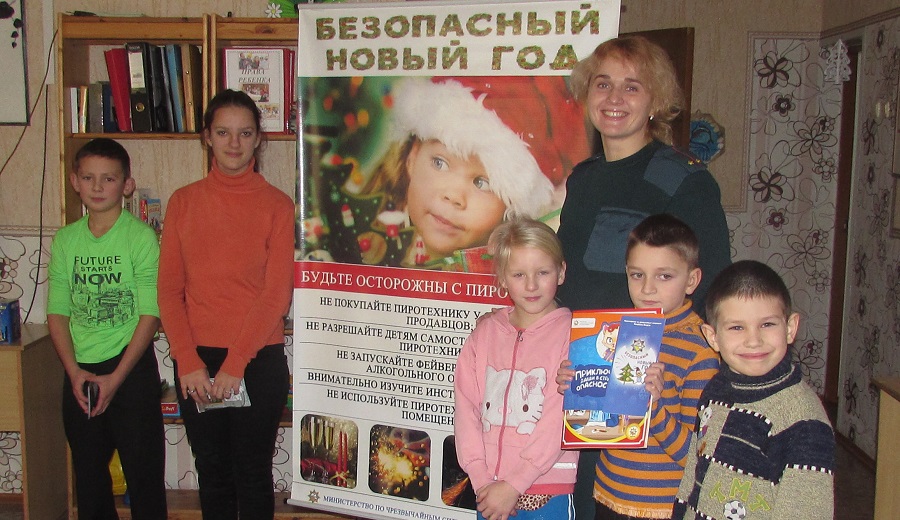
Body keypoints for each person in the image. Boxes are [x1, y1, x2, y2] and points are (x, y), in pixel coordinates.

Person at [555, 35, 731, 519]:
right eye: (603, 84)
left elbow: (713, 286)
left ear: (656, 101)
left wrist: (676, 374)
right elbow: (568, 278)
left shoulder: (684, 180)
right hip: (586, 374)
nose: (614, 98)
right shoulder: (583, 179)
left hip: (652, 383)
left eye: (632, 87)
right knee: (587, 501)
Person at [158, 89, 294, 518]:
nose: (234, 143)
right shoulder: (183, 202)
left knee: (252, 475)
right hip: (197, 362)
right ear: (207, 137)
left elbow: (276, 295)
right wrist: (187, 361)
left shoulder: (278, 206)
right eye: (223, 132)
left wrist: (235, 365)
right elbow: (169, 291)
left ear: (259, 140)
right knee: (213, 473)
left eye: (245, 133)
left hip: (256, 359)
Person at [309, 75, 590, 271]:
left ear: (511, 206)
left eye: (482, 182)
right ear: (412, 158)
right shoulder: (354, 239)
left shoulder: (519, 281)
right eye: (440, 163)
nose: (454, 196)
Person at [558, 214, 720, 520]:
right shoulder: (613, 331)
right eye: (637, 275)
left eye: (664, 276)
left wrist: (653, 408)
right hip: (608, 491)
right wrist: (576, 388)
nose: (647, 289)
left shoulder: (701, 350)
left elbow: (697, 457)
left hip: (662, 506)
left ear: (692, 280)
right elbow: (600, 423)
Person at [47, 137, 167, 519]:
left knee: (144, 479)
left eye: (109, 178)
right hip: (81, 371)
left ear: (127, 185)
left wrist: (116, 378)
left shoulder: (141, 238)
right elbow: (57, 313)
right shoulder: (65, 240)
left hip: (130, 371)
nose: (97, 187)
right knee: (89, 481)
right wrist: (74, 372)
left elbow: (151, 313)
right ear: (75, 182)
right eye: (88, 177)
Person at [672, 260, 835, 519]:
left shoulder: (804, 423)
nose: (753, 340)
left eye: (767, 324)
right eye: (737, 327)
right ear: (713, 337)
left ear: (790, 328)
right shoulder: (714, 390)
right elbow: (694, 470)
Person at [454, 219, 578, 520]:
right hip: (488, 491)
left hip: (548, 491)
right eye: (519, 274)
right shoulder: (484, 334)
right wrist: (482, 480)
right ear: (502, 278)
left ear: (561, 272)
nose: (531, 285)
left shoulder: (575, 336)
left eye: (542, 272)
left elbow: (559, 418)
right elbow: (466, 407)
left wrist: (515, 484)